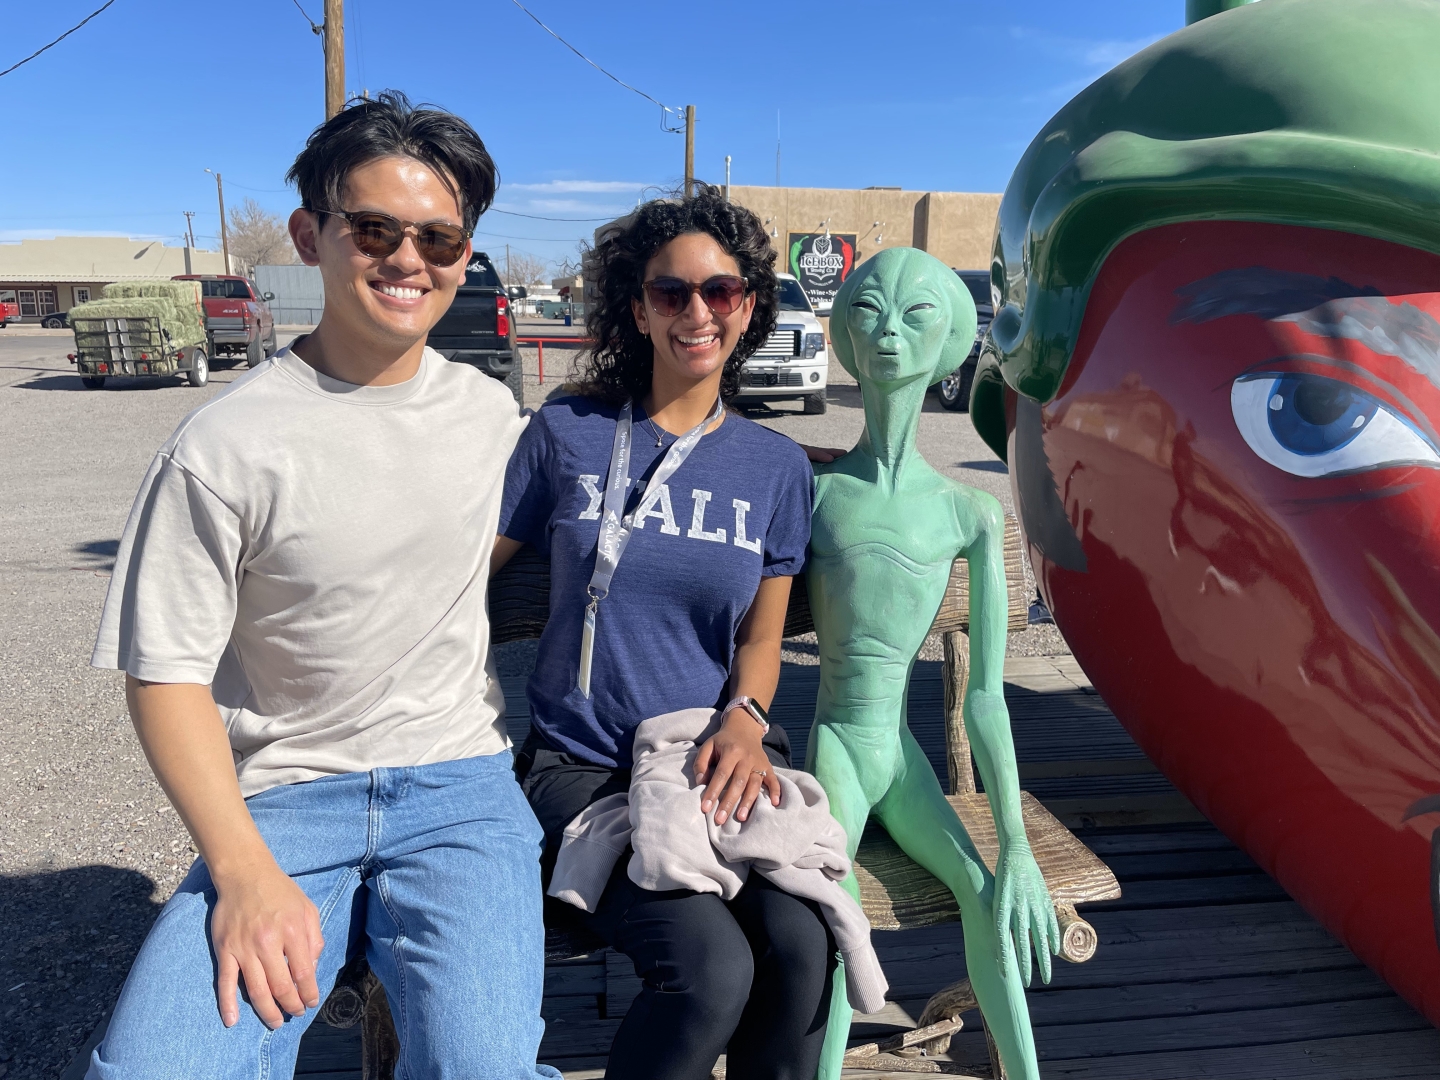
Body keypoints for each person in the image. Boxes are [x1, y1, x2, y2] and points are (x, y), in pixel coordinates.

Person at [87, 92, 559, 1080]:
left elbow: (638, 469)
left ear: (466, 255)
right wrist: (243, 870)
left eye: (439, 237)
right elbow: (163, 674)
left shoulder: (491, 417)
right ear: (312, 235)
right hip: (284, 801)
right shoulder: (223, 445)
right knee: (149, 1071)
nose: (408, 259)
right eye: (375, 228)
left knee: (484, 1069)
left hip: (461, 794)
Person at [496, 186, 835, 1080]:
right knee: (709, 973)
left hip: (713, 755)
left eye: (720, 292)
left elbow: (763, 639)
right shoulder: (567, 432)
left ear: (748, 306)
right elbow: (463, 576)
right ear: (637, 307)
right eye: (670, 292)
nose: (697, 312)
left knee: (800, 951)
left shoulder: (776, 467)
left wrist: (748, 717)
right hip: (583, 768)